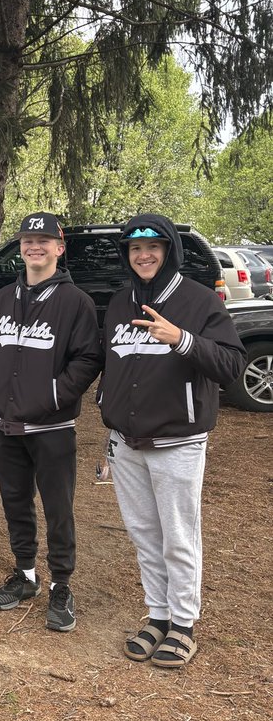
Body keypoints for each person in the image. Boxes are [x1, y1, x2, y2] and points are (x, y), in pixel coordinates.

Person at [99, 213, 245, 668]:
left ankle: (183, 623)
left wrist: (181, 338)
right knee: (144, 533)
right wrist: (109, 414)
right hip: (127, 441)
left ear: (169, 252)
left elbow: (232, 365)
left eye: (153, 248)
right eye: (135, 249)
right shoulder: (121, 301)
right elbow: (116, 366)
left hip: (178, 441)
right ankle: (157, 615)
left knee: (178, 537)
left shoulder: (198, 301)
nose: (143, 256)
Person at [0, 211, 102, 632]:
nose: (35, 246)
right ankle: (25, 575)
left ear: (59, 248)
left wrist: (52, 396)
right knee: (15, 501)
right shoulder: (4, 297)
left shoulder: (75, 302)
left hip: (51, 427)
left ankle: (61, 585)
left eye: (44, 241)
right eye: (29, 240)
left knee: (58, 508)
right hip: (4, 422)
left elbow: (88, 359)